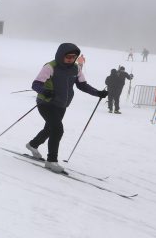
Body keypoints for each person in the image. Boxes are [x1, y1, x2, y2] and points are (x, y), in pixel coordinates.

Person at [24, 43, 107, 173]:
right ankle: (51, 161)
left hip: (61, 105)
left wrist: (98, 93)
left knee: (50, 129)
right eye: (68, 56)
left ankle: (33, 145)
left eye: (73, 57)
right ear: (61, 55)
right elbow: (35, 84)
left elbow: (83, 85)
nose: (70, 59)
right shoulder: (50, 67)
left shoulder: (76, 69)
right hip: (46, 103)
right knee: (58, 130)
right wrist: (45, 91)